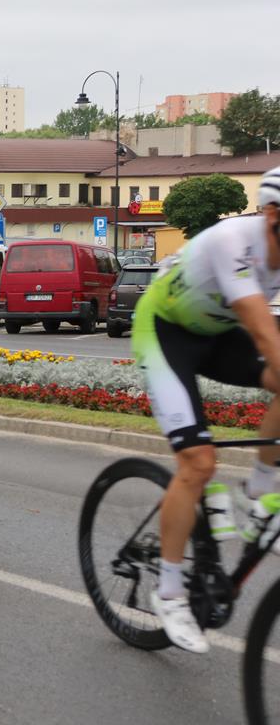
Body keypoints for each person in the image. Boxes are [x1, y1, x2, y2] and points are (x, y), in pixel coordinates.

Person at [135, 169, 280, 653]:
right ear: (272, 215)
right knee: (198, 463)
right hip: (165, 331)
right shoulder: (234, 241)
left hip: (215, 335)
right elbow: (264, 333)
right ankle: (168, 591)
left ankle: (258, 492)